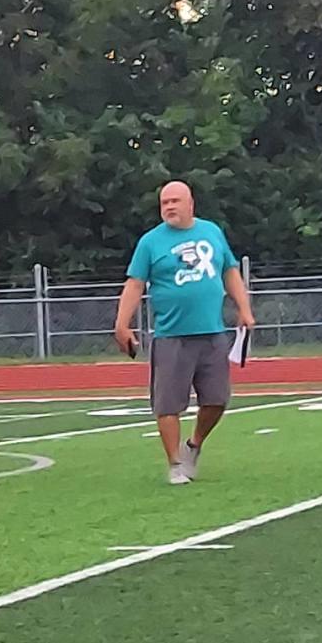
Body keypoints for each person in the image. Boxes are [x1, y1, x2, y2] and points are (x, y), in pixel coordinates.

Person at [113, 181, 255, 485]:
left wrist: (244, 308)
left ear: (191, 204)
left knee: (217, 400)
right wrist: (122, 323)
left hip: (212, 332)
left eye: (175, 201)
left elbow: (229, 270)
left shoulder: (212, 232)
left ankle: (194, 445)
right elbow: (135, 284)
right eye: (164, 203)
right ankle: (175, 464)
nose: (169, 207)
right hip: (172, 336)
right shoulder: (150, 242)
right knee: (168, 404)